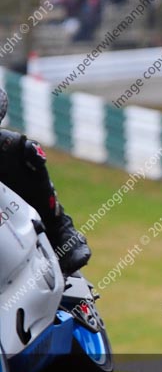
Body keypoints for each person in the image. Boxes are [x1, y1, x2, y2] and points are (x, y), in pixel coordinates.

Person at [0, 89, 91, 276]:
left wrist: (58, 231)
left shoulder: (15, 150)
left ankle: (62, 232)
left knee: (27, 152)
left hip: (17, 248)